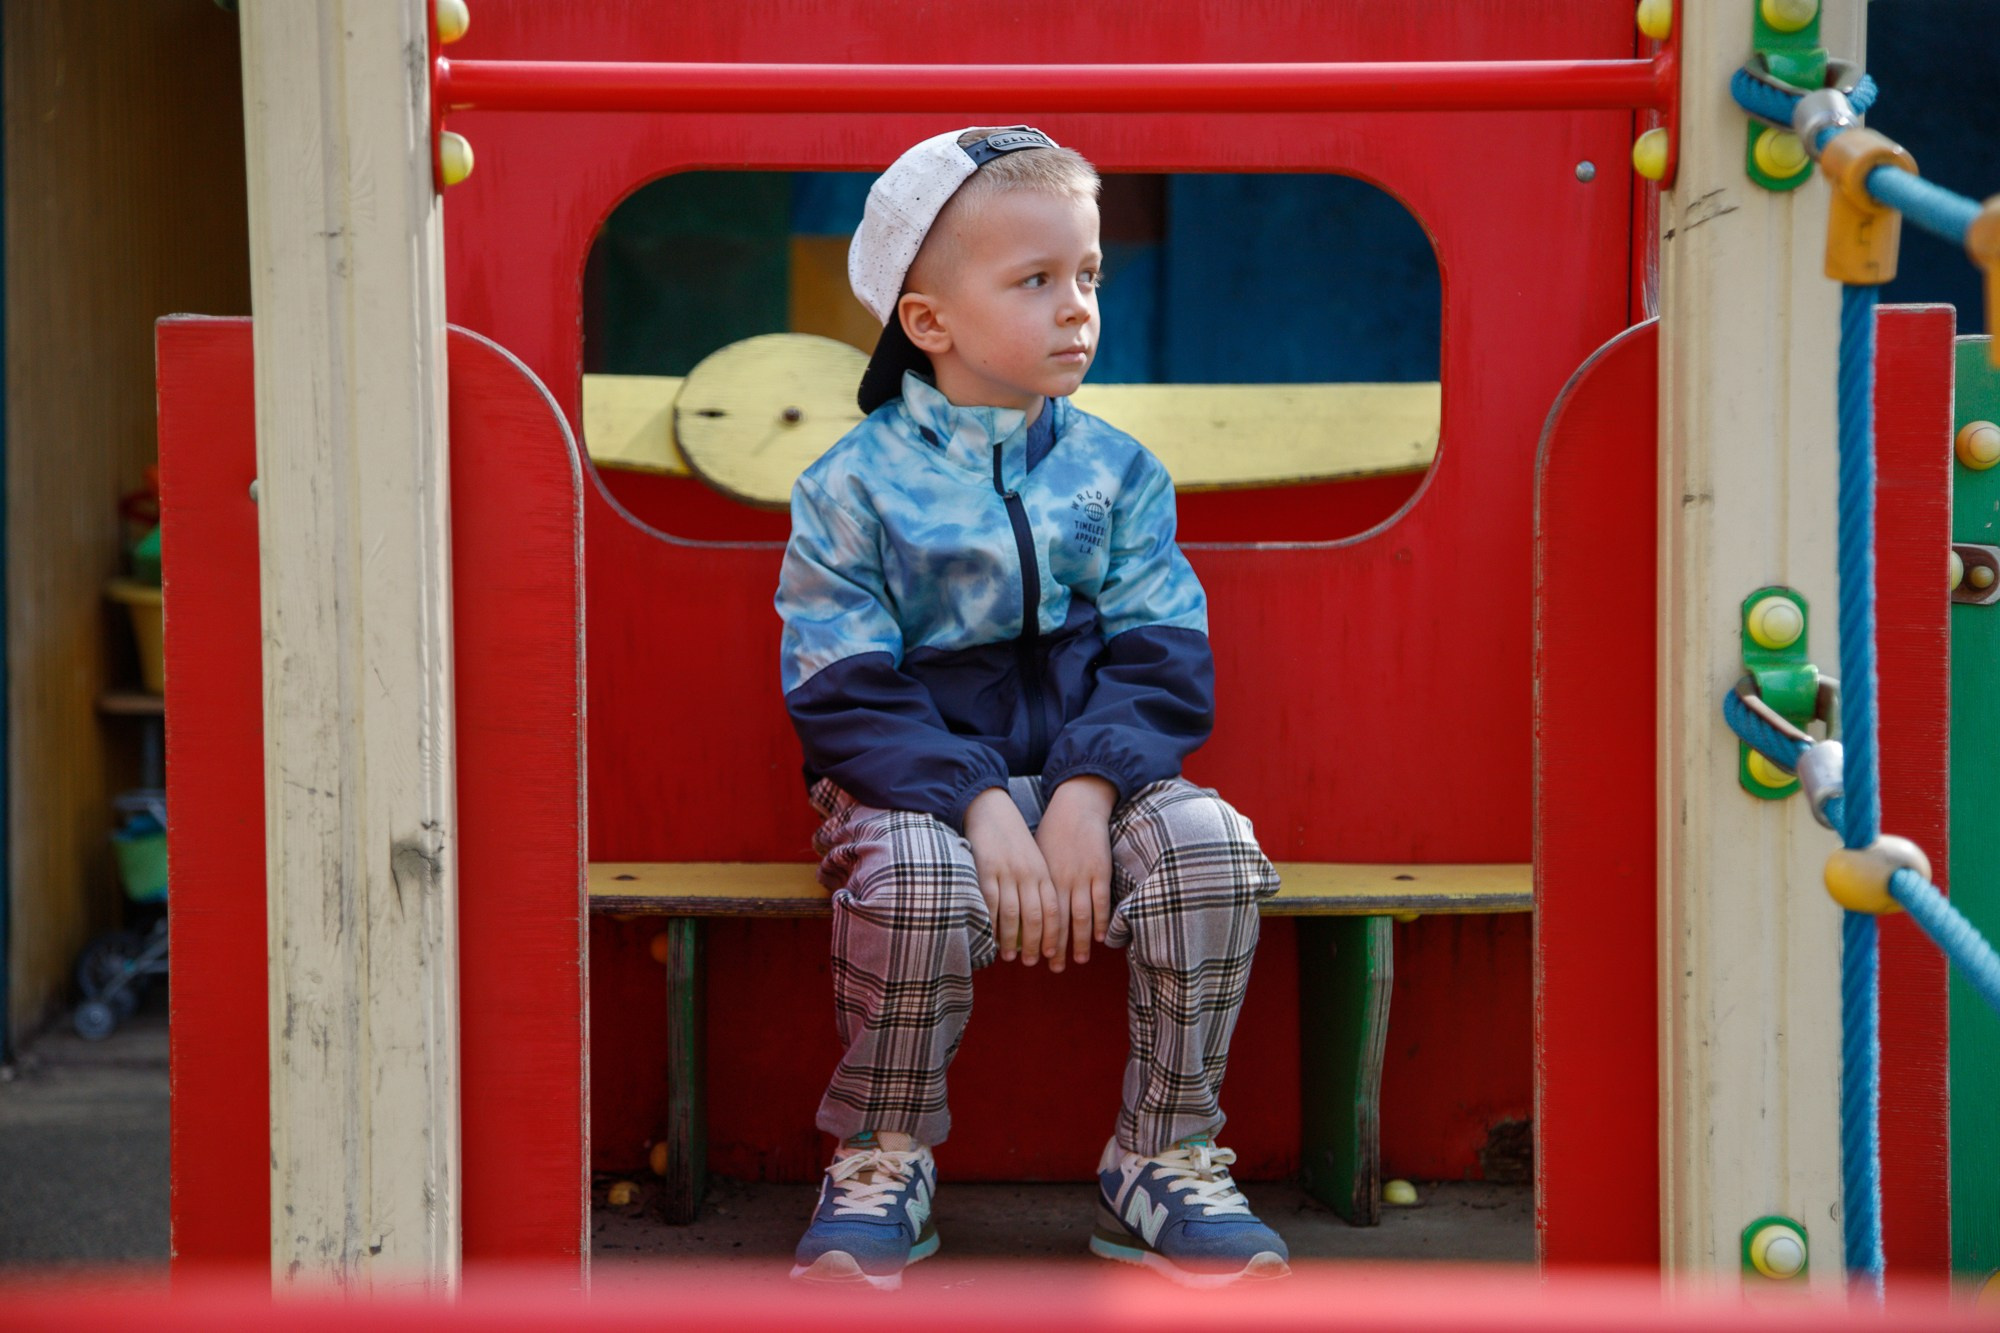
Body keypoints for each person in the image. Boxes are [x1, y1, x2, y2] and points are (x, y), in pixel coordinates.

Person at [774, 125, 1288, 1291]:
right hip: (913, 792)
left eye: (1089, 276)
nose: (1077, 309)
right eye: (1035, 281)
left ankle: (1162, 1150)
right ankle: (880, 1156)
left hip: (1095, 777)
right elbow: (842, 691)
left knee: (1209, 851)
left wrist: (1085, 788)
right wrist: (977, 806)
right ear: (928, 323)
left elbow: (1163, 657)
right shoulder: (848, 486)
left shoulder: (1117, 474)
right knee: (911, 882)